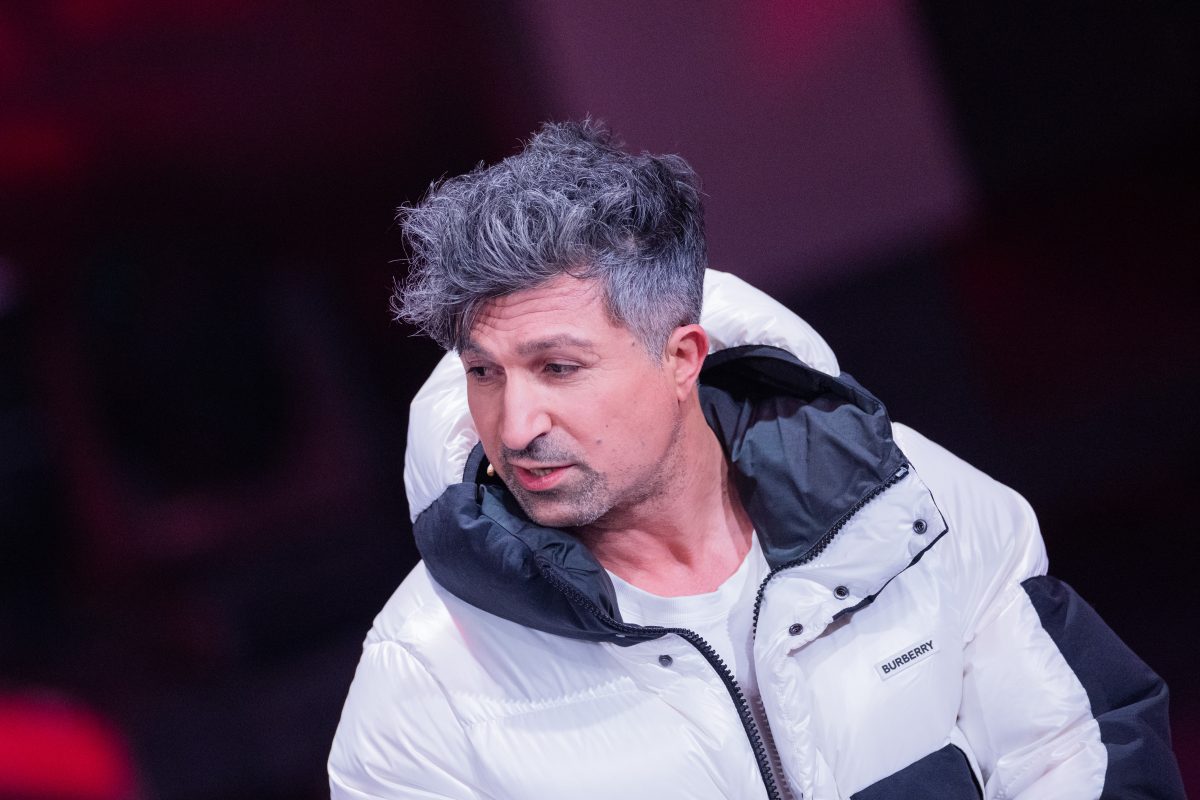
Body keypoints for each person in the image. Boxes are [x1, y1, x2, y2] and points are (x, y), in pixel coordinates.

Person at [328, 121, 1183, 799]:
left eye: (559, 368)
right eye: (483, 373)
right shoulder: (423, 680)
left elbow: (1075, 751)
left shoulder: (910, 505)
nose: (514, 426)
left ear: (682, 358)